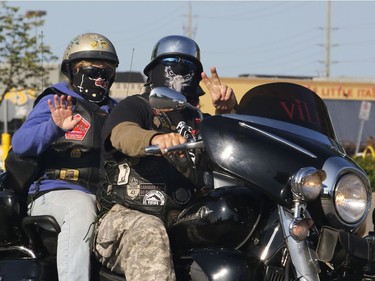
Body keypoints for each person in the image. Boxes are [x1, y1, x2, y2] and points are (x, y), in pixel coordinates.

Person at [94, 35, 237, 281]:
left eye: (188, 66)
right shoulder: (136, 106)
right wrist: (154, 138)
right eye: (170, 62)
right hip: (125, 218)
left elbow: (234, 151)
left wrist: (228, 113)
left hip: (185, 220)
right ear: (153, 72)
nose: (179, 71)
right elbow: (121, 134)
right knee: (150, 231)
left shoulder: (201, 120)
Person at [10, 32, 119, 281]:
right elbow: (21, 143)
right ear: (73, 70)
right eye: (92, 71)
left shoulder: (115, 110)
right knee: (80, 209)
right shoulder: (56, 101)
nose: (100, 78)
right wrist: (55, 128)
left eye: (107, 71)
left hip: (104, 195)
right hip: (55, 192)